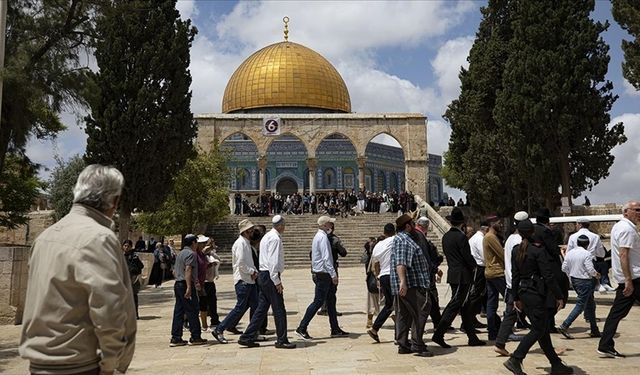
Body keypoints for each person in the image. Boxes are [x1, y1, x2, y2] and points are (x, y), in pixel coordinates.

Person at [19, 164, 137, 375]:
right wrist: (112, 365)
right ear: (114, 201)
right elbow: (109, 307)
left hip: (38, 364)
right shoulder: (99, 237)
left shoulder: (44, 237)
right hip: (78, 364)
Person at [504, 219, 573, 375]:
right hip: (535, 294)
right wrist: (559, 295)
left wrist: (515, 297)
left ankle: (556, 364)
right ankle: (515, 358)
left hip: (523, 293)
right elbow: (548, 276)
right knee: (538, 328)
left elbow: (515, 276)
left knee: (541, 329)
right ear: (532, 233)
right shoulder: (537, 251)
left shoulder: (516, 250)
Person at [238, 215, 296, 349]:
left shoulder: (267, 236)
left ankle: (247, 336)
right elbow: (273, 261)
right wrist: (276, 280)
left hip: (264, 275)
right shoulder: (275, 239)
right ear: (281, 225)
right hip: (270, 276)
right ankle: (282, 339)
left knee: (261, 309)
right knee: (279, 309)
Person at [432, 207, 485, 348]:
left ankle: (472, 337)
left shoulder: (446, 236)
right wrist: (474, 266)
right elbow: (467, 257)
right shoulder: (461, 237)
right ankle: (439, 334)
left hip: (454, 274)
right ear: (462, 223)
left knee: (465, 307)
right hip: (463, 276)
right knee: (454, 305)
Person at [597, 200, 640, 358]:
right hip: (634, 278)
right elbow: (623, 254)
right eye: (636, 209)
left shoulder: (619, 226)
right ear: (626, 212)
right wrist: (628, 280)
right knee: (616, 313)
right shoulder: (627, 229)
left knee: (616, 313)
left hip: (628, 278)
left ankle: (605, 344)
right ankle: (605, 344)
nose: (639, 212)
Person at [296, 216, 349, 340]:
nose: (332, 225)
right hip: (323, 274)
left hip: (322, 272)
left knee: (331, 300)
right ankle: (302, 327)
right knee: (318, 301)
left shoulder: (319, 236)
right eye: (330, 223)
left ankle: (335, 328)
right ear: (325, 225)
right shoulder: (323, 237)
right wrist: (333, 274)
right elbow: (326, 258)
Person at [390, 214, 433, 357]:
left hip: (408, 284)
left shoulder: (404, 239)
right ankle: (417, 344)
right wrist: (403, 282)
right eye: (412, 224)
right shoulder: (403, 240)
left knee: (404, 314)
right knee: (421, 311)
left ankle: (403, 344)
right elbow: (401, 262)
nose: (415, 226)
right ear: (407, 226)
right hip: (412, 284)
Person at [211, 219, 258, 344]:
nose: (253, 232)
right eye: (251, 230)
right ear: (246, 232)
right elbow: (241, 263)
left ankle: (252, 332)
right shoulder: (240, 244)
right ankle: (219, 329)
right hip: (243, 281)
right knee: (240, 307)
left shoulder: (246, 243)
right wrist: (252, 272)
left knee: (255, 305)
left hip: (249, 281)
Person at [494, 211, 529, 356]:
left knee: (510, 315)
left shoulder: (509, 239)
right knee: (539, 318)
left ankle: (500, 343)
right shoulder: (518, 241)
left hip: (511, 282)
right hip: (520, 283)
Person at [558, 235, 600, 339]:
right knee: (581, 304)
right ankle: (565, 325)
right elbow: (590, 269)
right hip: (585, 281)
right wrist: (596, 274)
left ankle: (594, 329)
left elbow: (564, 268)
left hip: (574, 280)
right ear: (587, 244)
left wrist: (572, 273)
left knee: (590, 304)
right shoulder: (587, 254)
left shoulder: (570, 253)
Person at [169, 234, 208, 347]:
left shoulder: (180, 253)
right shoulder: (191, 254)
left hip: (178, 284)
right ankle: (195, 336)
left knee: (179, 311)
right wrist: (189, 287)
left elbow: (175, 271)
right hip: (186, 284)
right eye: (196, 242)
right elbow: (188, 269)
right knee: (192, 310)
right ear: (193, 243)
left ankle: (176, 337)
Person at [367, 223, 396, 343]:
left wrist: (378, 277)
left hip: (383, 276)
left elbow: (376, 263)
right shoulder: (394, 240)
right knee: (399, 305)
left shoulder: (378, 245)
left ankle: (374, 329)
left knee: (389, 305)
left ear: (384, 232)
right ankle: (399, 336)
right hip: (394, 275)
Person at [566, 218, 612, 292]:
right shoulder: (595, 236)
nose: (576, 226)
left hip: (577, 264)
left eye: (576, 224)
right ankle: (602, 284)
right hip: (591, 262)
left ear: (580, 225)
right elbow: (601, 254)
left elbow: (569, 252)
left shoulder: (572, 236)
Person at [414, 216, 444, 329]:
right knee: (427, 301)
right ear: (426, 226)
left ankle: (438, 323)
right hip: (423, 275)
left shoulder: (417, 235)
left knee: (431, 299)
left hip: (423, 274)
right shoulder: (420, 237)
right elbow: (424, 258)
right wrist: (435, 269)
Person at [483, 215, 507, 341]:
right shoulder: (491, 237)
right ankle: (505, 330)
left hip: (490, 272)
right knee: (509, 300)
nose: (501, 224)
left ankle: (492, 332)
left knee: (491, 303)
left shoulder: (488, 236)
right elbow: (502, 254)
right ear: (492, 224)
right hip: (497, 272)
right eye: (499, 222)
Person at [202, 237, 221, 329]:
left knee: (213, 301)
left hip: (210, 281)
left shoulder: (211, 253)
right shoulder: (203, 251)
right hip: (204, 281)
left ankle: (214, 320)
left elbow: (218, 259)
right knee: (203, 303)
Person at [123, 239, 144, 320]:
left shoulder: (134, 256)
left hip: (133, 279)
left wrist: (136, 260)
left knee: (133, 297)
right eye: (125, 246)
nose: (126, 247)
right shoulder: (121, 256)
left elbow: (141, 266)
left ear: (131, 247)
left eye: (128, 246)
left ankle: (135, 314)